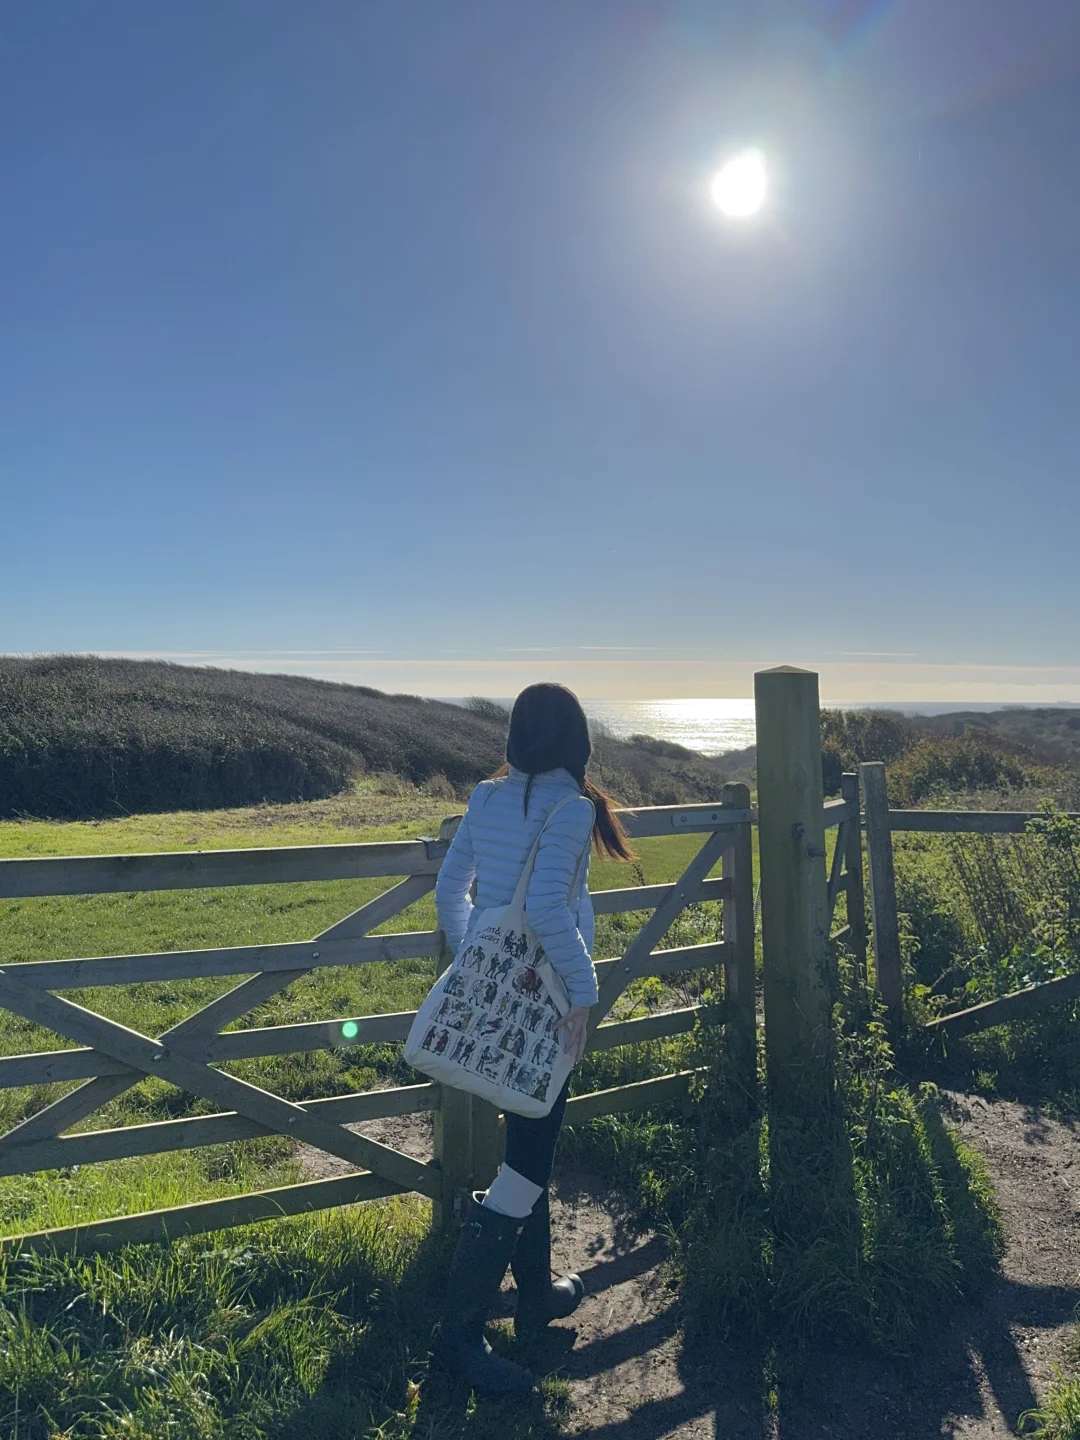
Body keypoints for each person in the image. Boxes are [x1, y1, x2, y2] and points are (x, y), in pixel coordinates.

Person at [432, 682, 634, 1393]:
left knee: (528, 1149)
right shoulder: (572, 808)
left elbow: (448, 892)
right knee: (526, 1162)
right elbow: (549, 907)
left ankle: (538, 1299)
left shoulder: (487, 799)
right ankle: (457, 1341)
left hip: (492, 1012)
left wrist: (473, 963)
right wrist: (584, 994)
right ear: (577, 743)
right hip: (546, 1012)